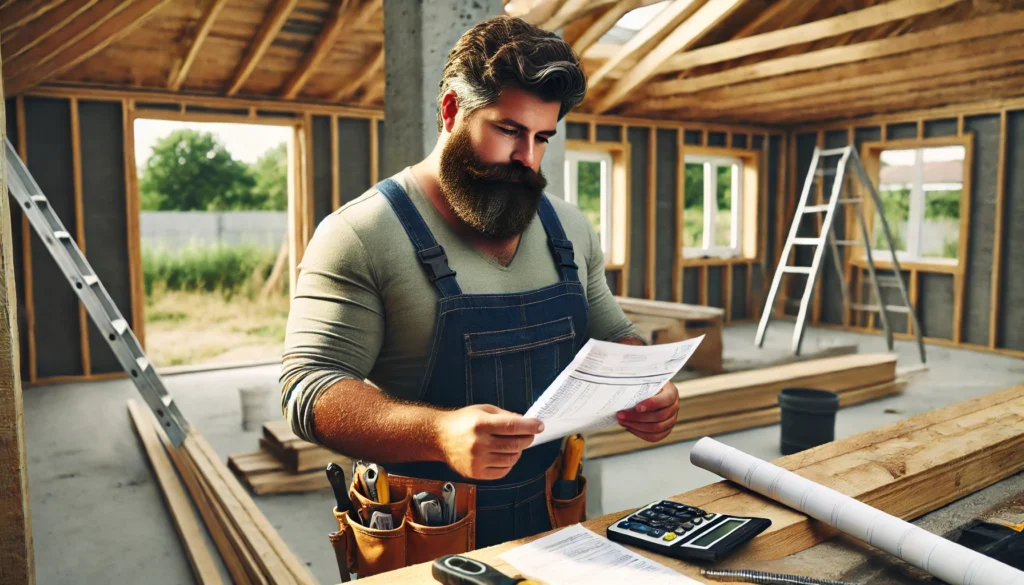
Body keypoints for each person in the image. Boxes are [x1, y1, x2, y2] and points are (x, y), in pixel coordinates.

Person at [279, 15, 680, 549]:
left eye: (542, 137)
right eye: (509, 131)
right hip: (429, 534)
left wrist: (647, 388)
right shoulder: (361, 233)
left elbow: (611, 330)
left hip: (553, 518)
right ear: (451, 110)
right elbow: (308, 386)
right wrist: (436, 433)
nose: (527, 159)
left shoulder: (569, 228)